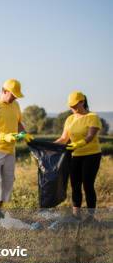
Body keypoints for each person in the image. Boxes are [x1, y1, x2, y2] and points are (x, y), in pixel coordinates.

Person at [0, 79, 33, 219]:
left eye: (17, 95)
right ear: (4, 91)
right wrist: (4, 136)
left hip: (10, 150)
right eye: (13, 94)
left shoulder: (15, 105)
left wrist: (24, 133)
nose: (15, 97)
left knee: (7, 181)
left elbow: (18, 122)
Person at [54, 91, 102, 220]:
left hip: (91, 155)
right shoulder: (70, 119)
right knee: (75, 185)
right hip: (75, 155)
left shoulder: (92, 117)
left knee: (88, 184)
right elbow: (64, 138)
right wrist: (50, 146)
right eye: (71, 106)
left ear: (82, 102)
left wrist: (78, 144)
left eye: (75, 105)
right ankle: (76, 215)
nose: (73, 108)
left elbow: (90, 136)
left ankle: (91, 216)